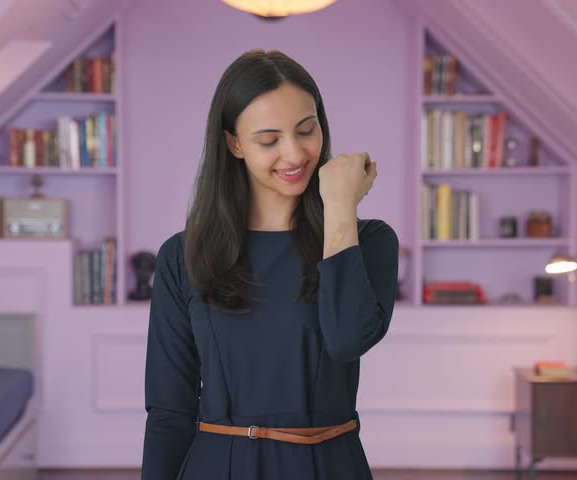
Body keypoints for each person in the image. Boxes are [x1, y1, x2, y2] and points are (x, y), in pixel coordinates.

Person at [141, 49, 399, 480]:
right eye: (269, 140)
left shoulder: (370, 242)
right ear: (234, 143)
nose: (295, 153)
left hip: (329, 466)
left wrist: (338, 206)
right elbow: (169, 410)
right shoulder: (182, 256)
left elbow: (347, 339)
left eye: (306, 130)